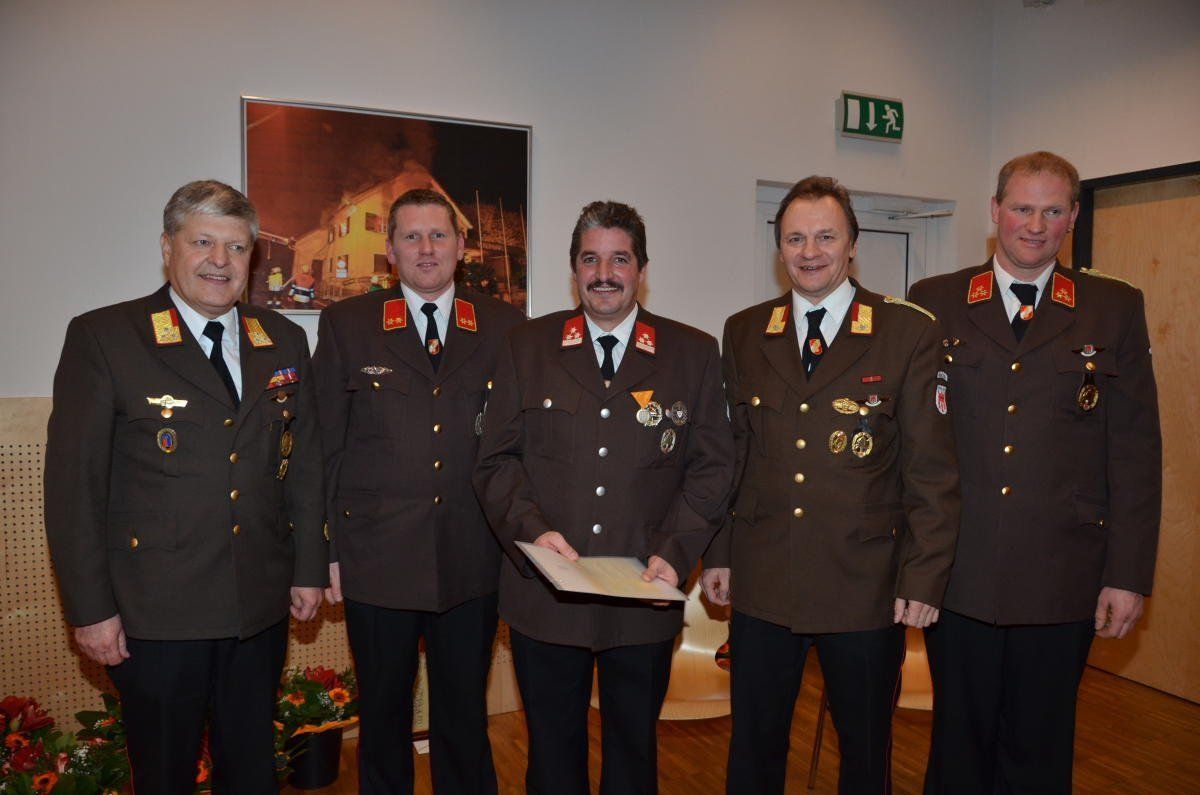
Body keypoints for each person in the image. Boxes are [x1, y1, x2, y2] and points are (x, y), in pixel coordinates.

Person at [44, 179, 327, 794]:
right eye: (203, 242)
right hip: (156, 615)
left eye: (237, 247)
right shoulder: (107, 337)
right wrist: (91, 610)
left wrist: (308, 567)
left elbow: (302, 464)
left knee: (251, 770)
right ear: (168, 246)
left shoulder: (281, 339)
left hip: (258, 604)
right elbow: (74, 489)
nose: (220, 261)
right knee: (165, 774)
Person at [908, 151, 1162, 794]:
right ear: (995, 211)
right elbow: (914, 444)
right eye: (1022, 208)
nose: (1035, 225)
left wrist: (1128, 575)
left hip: (1062, 576)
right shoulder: (934, 301)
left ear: (1073, 218)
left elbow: (1135, 451)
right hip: (959, 572)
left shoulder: (1113, 307)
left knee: (1040, 752)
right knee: (957, 747)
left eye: (1052, 211)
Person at [702, 176, 960, 794]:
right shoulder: (745, 331)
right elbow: (732, 453)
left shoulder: (906, 331)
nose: (810, 251)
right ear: (779, 249)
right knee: (754, 748)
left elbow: (931, 469)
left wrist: (923, 577)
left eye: (825, 237)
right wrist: (719, 552)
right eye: (795, 238)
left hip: (864, 585)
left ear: (852, 244)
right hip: (764, 576)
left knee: (865, 753)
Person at [473, 200, 734, 795]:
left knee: (633, 755)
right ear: (574, 269)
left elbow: (713, 467)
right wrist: (532, 532)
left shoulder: (691, 353)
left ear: (641, 269)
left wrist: (675, 550)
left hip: (644, 592)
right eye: (590, 259)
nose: (604, 274)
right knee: (552, 758)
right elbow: (495, 460)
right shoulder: (526, 347)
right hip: (547, 596)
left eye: (619, 259)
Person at [313, 188, 524, 794]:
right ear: (390, 249)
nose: (426, 248)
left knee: (464, 716)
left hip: (472, 557)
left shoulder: (505, 326)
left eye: (439, 235)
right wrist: (326, 549)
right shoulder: (349, 324)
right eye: (412, 236)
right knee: (382, 718)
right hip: (377, 559)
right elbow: (325, 446)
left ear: (460, 246)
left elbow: (520, 448)